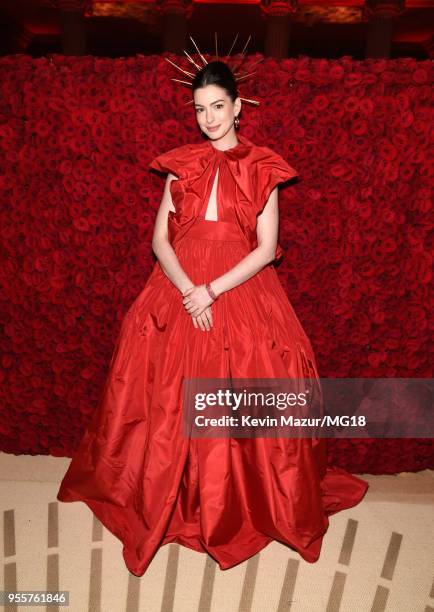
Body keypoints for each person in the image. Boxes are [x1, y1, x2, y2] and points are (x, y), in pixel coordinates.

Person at [57, 60, 369, 577]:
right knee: (158, 398)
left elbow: (267, 249)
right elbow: (160, 238)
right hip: (177, 288)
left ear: (239, 107)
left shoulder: (264, 165)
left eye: (218, 106)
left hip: (240, 287)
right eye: (200, 109)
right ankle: (169, 494)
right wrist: (187, 291)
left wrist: (211, 291)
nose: (209, 118)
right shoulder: (181, 164)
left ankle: (240, 503)